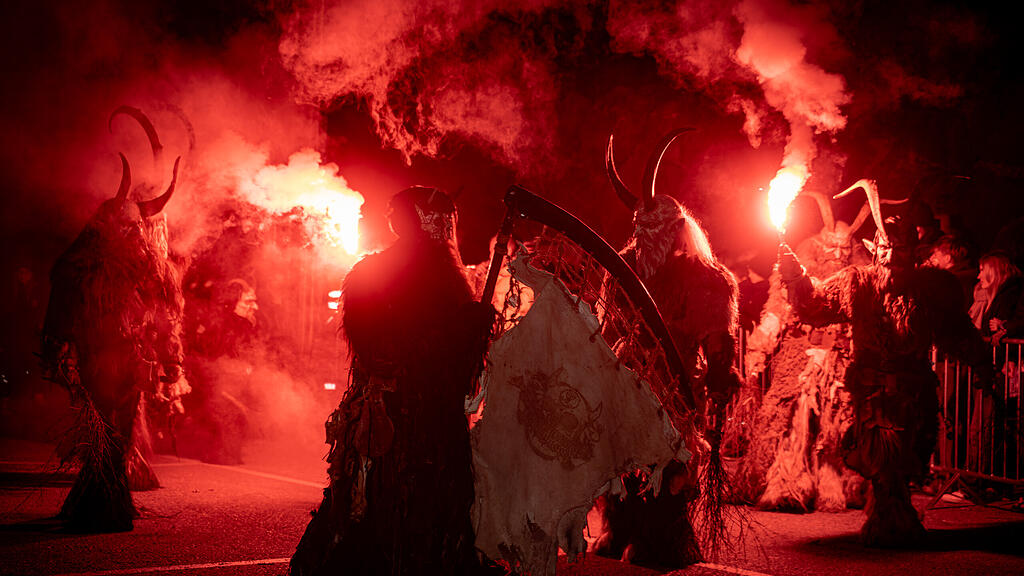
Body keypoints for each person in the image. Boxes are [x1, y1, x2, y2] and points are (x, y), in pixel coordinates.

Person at [289, 186, 496, 575]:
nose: (445, 229)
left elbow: (459, 363)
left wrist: (473, 329)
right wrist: (459, 332)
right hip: (394, 413)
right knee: (381, 500)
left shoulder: (449, 277)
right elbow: (377, 349)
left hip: (435, 414)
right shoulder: (374, 272)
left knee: (436, 501)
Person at [778, 179, 994, 546]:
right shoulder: (857, 283)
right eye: (886, 246)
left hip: (913, 393)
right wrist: (796, 276)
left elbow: (956, 331)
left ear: (912, 249)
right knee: (882, 466)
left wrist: (982, 366)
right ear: (875, 248)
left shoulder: (930, 288)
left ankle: (893, 517)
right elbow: (816, 306)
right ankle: (890, 521)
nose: (892, 254)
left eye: (900, 246)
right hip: (873, 393)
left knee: (906, 461)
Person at [594, 130, 741, 568]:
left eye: (653, 229)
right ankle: (620, 530)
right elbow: (605, 330)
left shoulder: (706, 280)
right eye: (639, 229)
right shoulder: (622, 269)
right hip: (623, 389)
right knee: (622, 465)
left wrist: (719, 378)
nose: (645, 238)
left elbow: (717, 340)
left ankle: (662, 542)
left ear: (675, 230)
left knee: (666, 470)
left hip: (673, 394)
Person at [40, 147, 186, 532]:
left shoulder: (148, 265)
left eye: (135, 228)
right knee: (104, 427)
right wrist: (55, 347)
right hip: (98, 357)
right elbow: (62, 302)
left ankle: (106, 502)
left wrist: (170, 358)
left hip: (132, 358)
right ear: (108, 225)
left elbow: (163, 314)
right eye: (126, 226)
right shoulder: (83, 262)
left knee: (120, 428)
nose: (132, 232)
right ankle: (102, 503)